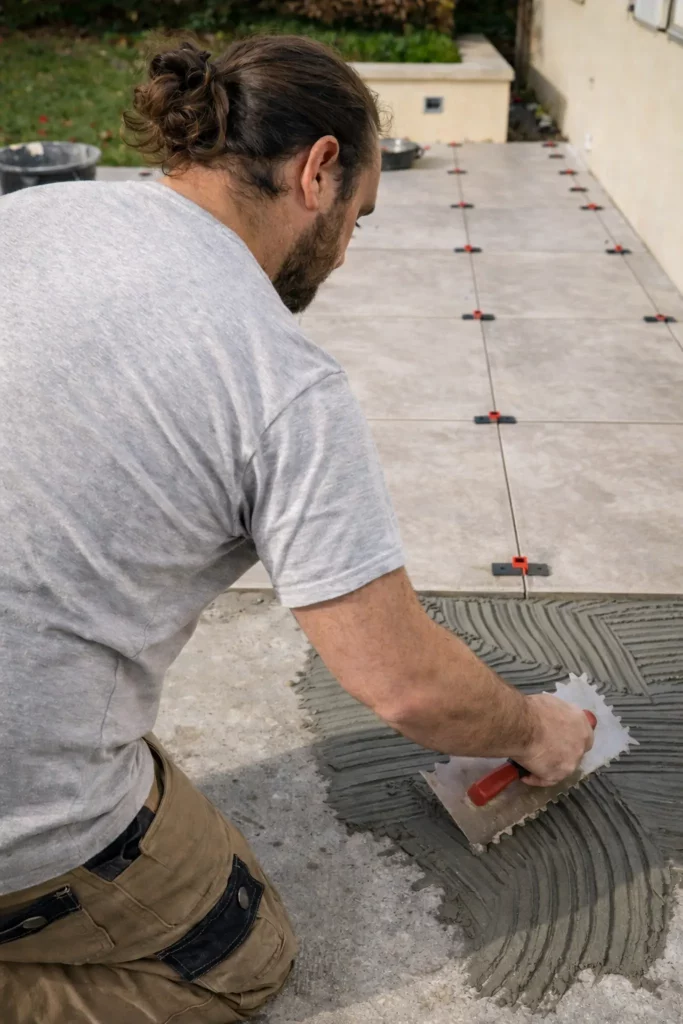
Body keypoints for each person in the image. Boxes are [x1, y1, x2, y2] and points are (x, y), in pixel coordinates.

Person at [0, 35, 594, 1024]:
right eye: (358, 216)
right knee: (241, 954)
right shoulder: (275, 376)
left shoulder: (34, 212)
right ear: (317, 170)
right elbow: (401, 682)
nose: (348, 250)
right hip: (24, 835)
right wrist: (534, 731)